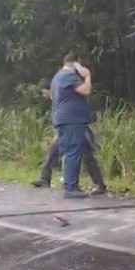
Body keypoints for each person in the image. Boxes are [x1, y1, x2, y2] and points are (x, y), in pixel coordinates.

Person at [31, 83, 106, 194]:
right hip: (68, 129)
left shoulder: (62, 98)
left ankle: (99, 185)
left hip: (77, 128)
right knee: (53, 151)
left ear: (51, 90)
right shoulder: (58, 99)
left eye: (44, 92)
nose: (43, 95)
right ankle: (45, 178)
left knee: (87, 156)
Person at [50, 53, 94, 199]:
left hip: (64, 118)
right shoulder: (69, 76)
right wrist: (87, 76)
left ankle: (72, 184)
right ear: (76, 64)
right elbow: (85, 90)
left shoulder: (57, 77)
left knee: (72, 151)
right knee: (73, 151)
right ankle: (71, 187)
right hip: (71, 120)